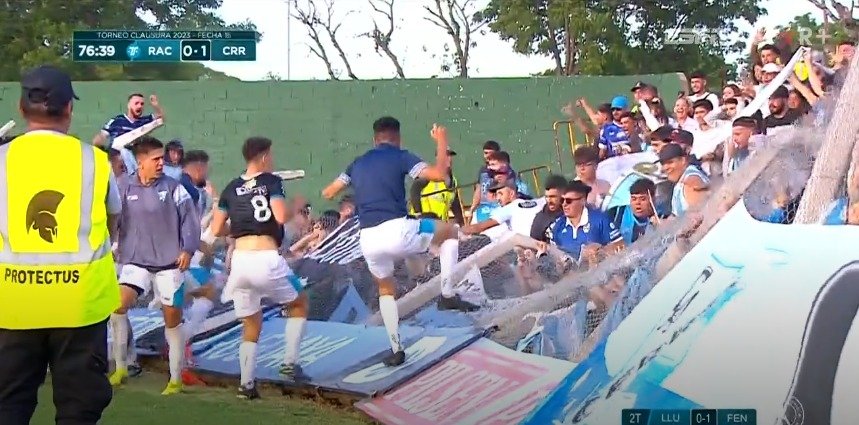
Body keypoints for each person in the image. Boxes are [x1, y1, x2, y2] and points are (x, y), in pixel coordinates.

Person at [0, 65, 120, 424]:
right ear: (69, 109)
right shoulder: (95, 161)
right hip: (80, 305)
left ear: (21, 109)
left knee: (8, 404)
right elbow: (114, 221)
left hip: (14, 303)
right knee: (79, 409)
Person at [321, 118, 477, 367]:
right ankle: (447, 294)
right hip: (398, 230)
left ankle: (396, 348)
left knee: (386, 289)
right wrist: (441, 140)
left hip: (368, 238)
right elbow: (438, 175)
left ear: (375, 139)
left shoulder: (357, 163)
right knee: (450, 232)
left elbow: (328, 193)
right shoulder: (401, 156)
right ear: (398, 137)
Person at [209, 137, 310, 399]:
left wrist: (241, 228)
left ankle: (247, 385)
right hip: (266, 258)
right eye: (271, 155)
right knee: (299, 303)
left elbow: (217, 229)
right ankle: (289, 362)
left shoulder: (231, 187)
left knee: (251, 321)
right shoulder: (271, 182)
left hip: (240, 262)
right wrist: (295, 208)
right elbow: (279, 216)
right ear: (264, 157)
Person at [109, 136, 201, 395]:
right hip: (135, 260)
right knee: (117, 306)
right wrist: (112, 244)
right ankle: (121, 367)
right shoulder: (123, 186)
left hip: (169, 262)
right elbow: (113, 217)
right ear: (140, 162)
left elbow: (190, 220)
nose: (162, 163)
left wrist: (187, 249)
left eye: (162, 158)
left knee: (172, 320)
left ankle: (174, 379)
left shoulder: (173, 187)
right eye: (156, 159)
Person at [547, 180, 623, 268]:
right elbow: (553, 256)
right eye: (562, 200)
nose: (564, 204)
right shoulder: (557, 226)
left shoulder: (600, 220)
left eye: (568, 201)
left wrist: (601, 251)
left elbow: (621, 245)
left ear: (583, 201)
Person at [93, 93, 165, 173]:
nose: (139, 106)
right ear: (129, 105)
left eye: (142, 104)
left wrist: (156, 105)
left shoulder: (145, 121)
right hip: (115, 163)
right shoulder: (116, 121)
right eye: (136, 103)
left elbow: (160, 119)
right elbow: (100, 138)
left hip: (135, 164)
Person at [409, 149, 464, 224]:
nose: (448, 158)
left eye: (450, 155)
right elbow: (414, 189)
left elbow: (455, 206)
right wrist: (418, 213)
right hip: (423, 223)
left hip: (439, 224)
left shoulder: (453, 181)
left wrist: (462, 224)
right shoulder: (430, 174)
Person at [659, 143, 710, 217]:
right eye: (663, 164)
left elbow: (701, 216)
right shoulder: (681, 182)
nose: (665, 168)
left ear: (683, 160)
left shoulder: (691, 180)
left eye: (670, 162)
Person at [608, 178, 661, 244]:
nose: (637, 203)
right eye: (634, 199)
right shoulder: (618, 213)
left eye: (643, 199)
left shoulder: (660, 217)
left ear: (653, 199)